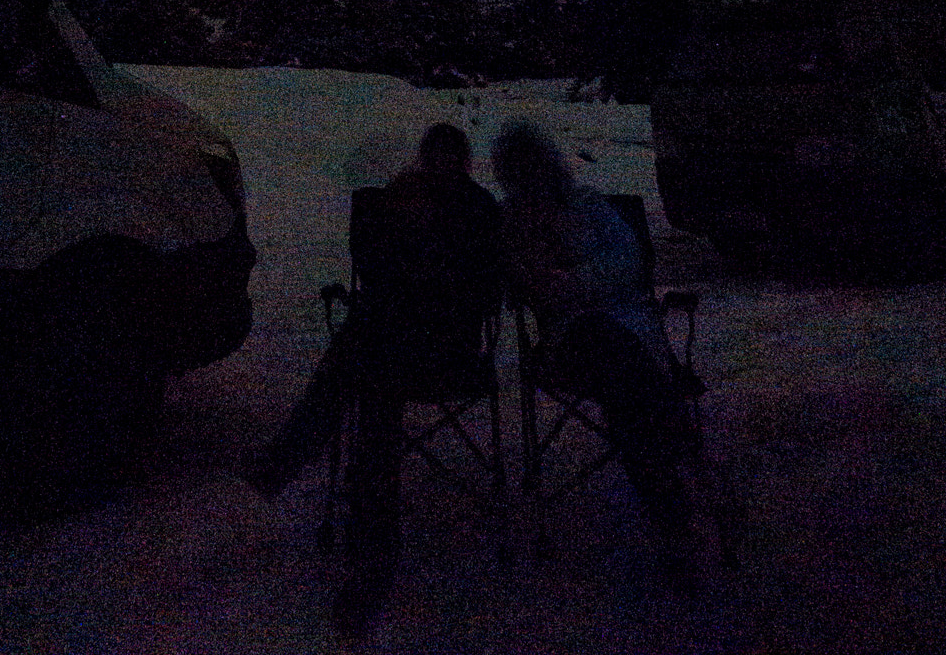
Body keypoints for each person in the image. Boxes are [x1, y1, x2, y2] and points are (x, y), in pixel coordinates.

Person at [243, 123, 502, 637]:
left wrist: (433, 273)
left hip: (446, 350)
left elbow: (484, 289)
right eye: (435, 157)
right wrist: (399, 229)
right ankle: (368, 552)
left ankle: (307, 476)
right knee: (369, 348)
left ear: (465, 162)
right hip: (390, 339)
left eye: (452, 157)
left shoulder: (479, 211)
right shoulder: (399, 200)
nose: (442, 167)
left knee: (366, 356)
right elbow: (377, 271)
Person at [490, 119, 699, 590]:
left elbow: (631, 262)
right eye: (519, 168)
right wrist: (564, 281)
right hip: (571, 340)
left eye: (535, 164)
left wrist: (574, 280)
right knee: (623, 369)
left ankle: (671, 513)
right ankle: (673, 494)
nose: (531, 175)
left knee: (623, 377)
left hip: (628, 331)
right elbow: (524, 289)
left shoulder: (589, 205)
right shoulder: (513, 223)